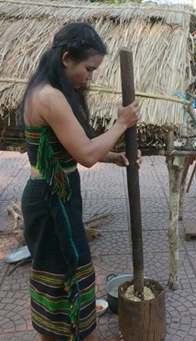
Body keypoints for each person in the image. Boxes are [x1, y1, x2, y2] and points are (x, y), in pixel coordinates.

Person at [18, 22, 141, 341]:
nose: (90, 76)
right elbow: (85, 154)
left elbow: (72, 148)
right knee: (72, 275)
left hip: (55, 197)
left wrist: (113, 156)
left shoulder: (51, 91)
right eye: (88, 68)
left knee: (56, 278)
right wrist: (121, 124)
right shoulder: (48, 96)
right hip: (51, 202)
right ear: (67, 58)